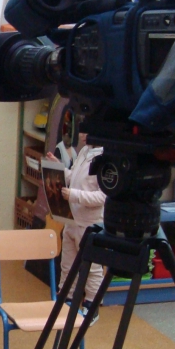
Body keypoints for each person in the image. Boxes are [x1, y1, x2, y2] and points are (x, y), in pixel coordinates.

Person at [44, 132, 106, 320]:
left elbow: (102, 197)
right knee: (67, 265)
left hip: (90, 224)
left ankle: (91, 306)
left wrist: (73, 195)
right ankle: (66, 300)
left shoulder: (105, 159)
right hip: (72, 220)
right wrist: (59, 168)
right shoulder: (84, 151)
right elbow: (73, 178)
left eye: (86, 131)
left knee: (93, 269)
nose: (81, 134)